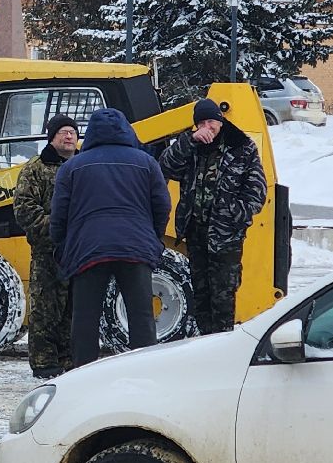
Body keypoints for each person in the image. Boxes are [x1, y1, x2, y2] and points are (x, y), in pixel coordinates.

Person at [49, 107, 172, 367]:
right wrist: (153, 239)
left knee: (85, 318)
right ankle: (145, 372)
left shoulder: (72, 167)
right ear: (126, 129)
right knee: (141, 317)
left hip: (88, 250)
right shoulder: (146, 162)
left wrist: (62, 245)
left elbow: (59, 213)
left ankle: (84, 373)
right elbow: (162, 205)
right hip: (135, 248)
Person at [159, 97, 268, 334]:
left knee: (223, 296)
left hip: (225, 236)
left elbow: (257, 191)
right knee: (200, 294)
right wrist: (190, 140)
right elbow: (165, 166)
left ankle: (222, 340)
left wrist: (234, 215)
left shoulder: (241, 147)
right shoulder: (191, 147)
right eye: (202, 123)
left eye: (211, 122)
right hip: (196, 233)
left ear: (220, 121)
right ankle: (204, 341)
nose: (207, 127)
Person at [13, 114, 81, 378]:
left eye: (72, 132)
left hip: (80, 252)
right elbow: (24, 209)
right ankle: (45, 364)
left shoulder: (85, 165)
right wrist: (57, 229)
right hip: (48, 252)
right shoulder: (35, 169)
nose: (69, 136)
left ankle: (72, 362)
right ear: (51, 137)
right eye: (63, 132)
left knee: (75, 309)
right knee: (45, 309)